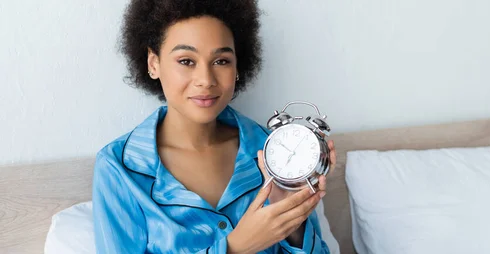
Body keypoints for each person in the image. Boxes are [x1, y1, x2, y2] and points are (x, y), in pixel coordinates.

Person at [91, 0, 336, 253]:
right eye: (186, 61)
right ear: (154, 64)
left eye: (221, 61)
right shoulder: (119, 167)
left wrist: (291, 219)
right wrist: (235, 247)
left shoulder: (274, 150)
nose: (206, 80)